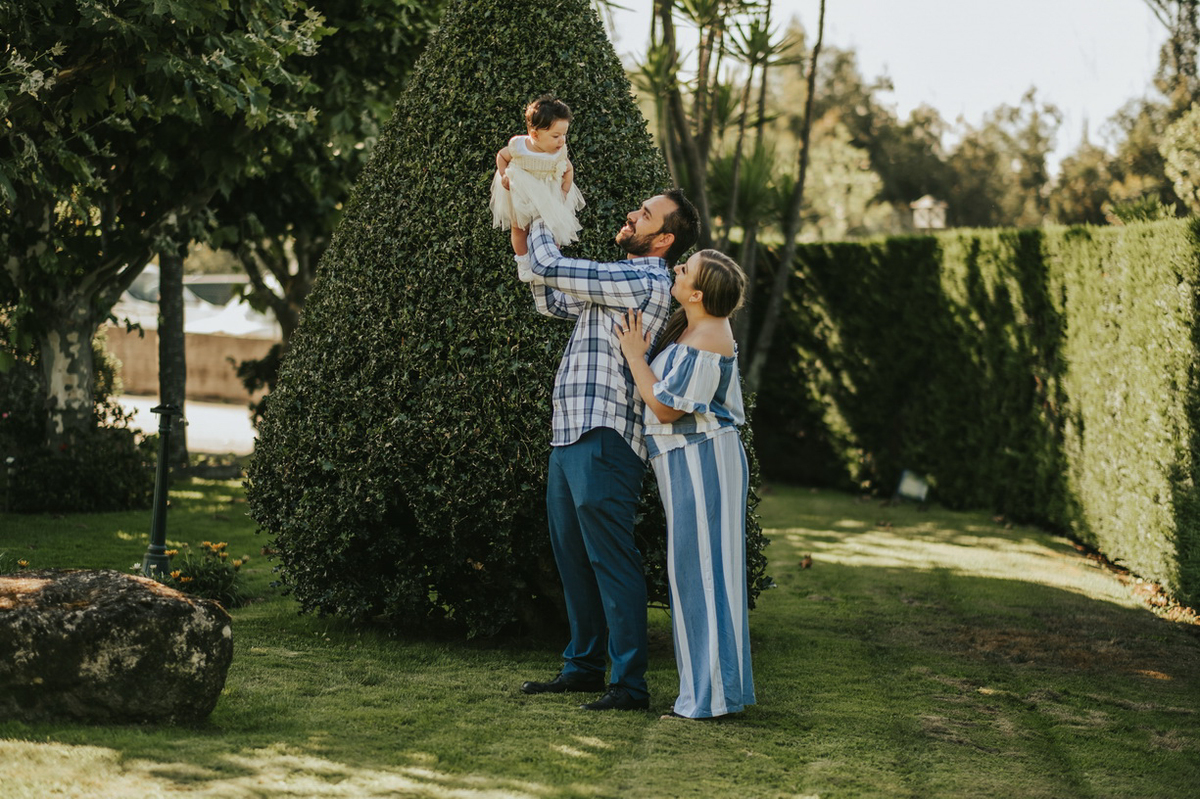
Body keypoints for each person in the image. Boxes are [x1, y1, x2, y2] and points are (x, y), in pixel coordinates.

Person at [516, 189, 701, 712]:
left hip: (607, 434)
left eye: (645, 215)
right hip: (571, 430)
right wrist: (517, 218)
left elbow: (549, 265)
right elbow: (549, 295)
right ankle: (583, 668)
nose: (631, 215)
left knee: (610, 558)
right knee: (574, 558)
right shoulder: (617, 281)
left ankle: (629, 685)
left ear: (663, 240)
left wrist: (541, 203)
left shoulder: (644, 280)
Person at [613, 248, 756, 721]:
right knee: (696, 575)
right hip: (688, 461)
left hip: (703, 461)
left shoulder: (710, 336)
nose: (676, 268)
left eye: (685, 269)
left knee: (704, 577)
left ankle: (708, 699)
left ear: (697, 294)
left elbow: (666, 408)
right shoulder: (698, 326)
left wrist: (635, 356)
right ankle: (713, 694)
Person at [490, 94, 586, 275]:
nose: (562, 140)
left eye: (564, 135)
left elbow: (568, 170)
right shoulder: (519, 146)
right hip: (521, 192)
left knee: (553, 226)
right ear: (535, 135)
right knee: (520, 227)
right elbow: (502, 156)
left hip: (548, 193)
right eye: (556, 135)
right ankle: (523, 261)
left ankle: (551, 258)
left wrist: (564, 192)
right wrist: (503, 175)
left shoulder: (559, 152)